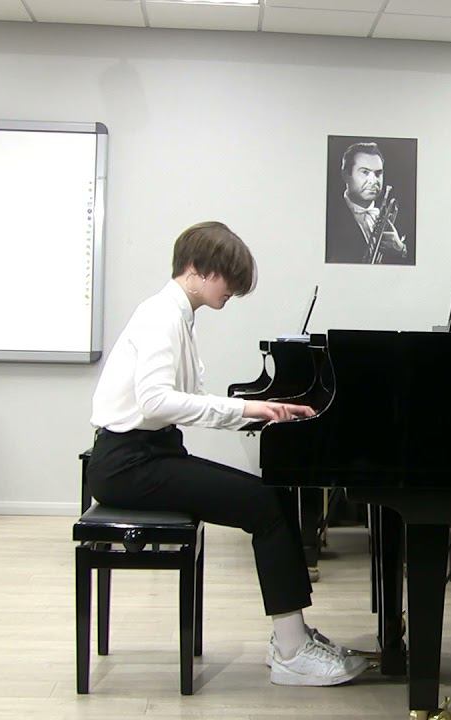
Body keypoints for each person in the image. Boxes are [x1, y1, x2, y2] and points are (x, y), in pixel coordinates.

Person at [85, 221, 368, 687]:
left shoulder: (176, 315)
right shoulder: (160, 316)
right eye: (228, 278)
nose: (232, 289)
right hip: (129, 464)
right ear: (197, 269)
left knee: (271, 496)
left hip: (148, 455)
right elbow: (155, 402)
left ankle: (293, 636)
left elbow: (186, 402)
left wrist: (263, 411)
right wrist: (247, 409)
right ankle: (292, 652)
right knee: (264, 504)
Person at [325, 142, 410, 265]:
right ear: (346, 175)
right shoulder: (328, 217)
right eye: (365, 172)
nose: (373, 181)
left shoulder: (399, 217)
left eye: (378, 173)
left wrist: (401, 250)